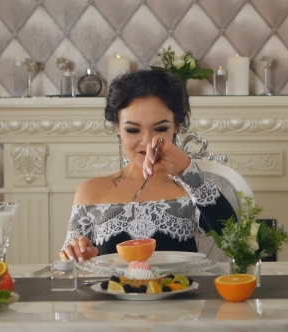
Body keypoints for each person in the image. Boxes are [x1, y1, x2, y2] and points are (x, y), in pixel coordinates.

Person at [60, 70, 236, 262]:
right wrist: (80, 255)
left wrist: (187, 169)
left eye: (160, 129)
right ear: (117, 128)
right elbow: (69, 269)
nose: (147, 141)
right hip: (112, 292)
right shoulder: (90, 191)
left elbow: (235, 240)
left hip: (182, 292)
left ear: (176, 126)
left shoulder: (194, 190)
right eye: (133, 130)